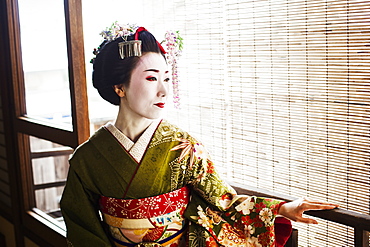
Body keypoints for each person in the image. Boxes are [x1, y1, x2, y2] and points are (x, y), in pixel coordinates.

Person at [60, 23, 339, 247]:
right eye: (151, 78)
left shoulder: (183, 146)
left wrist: (280, 209)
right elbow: (81, 226)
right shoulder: (87, 158)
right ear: (119, 87)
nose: (164, 91)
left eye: (167, 78)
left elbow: (223, 200)